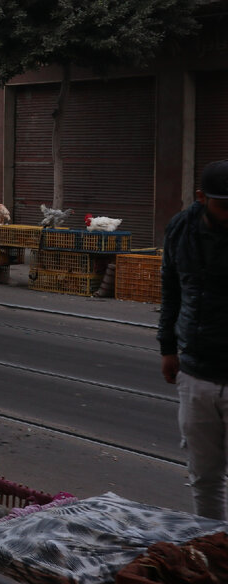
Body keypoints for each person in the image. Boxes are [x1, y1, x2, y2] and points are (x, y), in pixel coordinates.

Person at [159, 159, 228, 519]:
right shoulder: (181, 230)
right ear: (201, 198)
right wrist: (168, 349)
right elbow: (171, 289)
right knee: (204, 477)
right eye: (224, 205)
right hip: (195, 373)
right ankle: (214, 552)